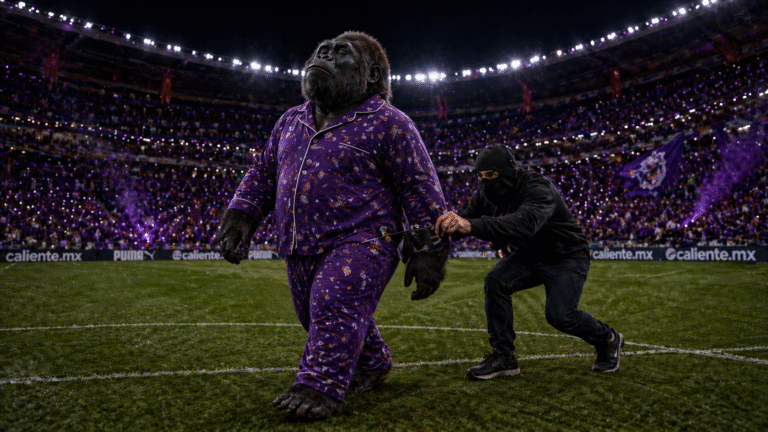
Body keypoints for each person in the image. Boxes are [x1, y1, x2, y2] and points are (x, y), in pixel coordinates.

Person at [215, 31, 449, 419]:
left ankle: (319, 384)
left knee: (333, 301)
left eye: (341, 54)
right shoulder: (290, 120)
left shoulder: (390, 123)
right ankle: (373, 364)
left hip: (365, 237)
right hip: (299, 242)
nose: (325, 55)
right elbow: (263, 173)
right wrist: (241, 214)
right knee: (314, 314)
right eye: (322, 51)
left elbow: (421, 189)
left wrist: (429, 251)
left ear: (371, 74)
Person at [434, 144, 623, 380]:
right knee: (496, 281)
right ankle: (504, 357)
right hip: (530, 255)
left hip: (566, 255)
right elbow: (464, 219)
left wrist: (470, 226)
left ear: (508, 171)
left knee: (561, 316)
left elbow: (524, 224)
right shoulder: (484, 194)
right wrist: (441, 226)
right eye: (480, 177)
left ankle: (608, 338)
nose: (485, 183)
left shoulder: (538, 187)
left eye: (491, 175)